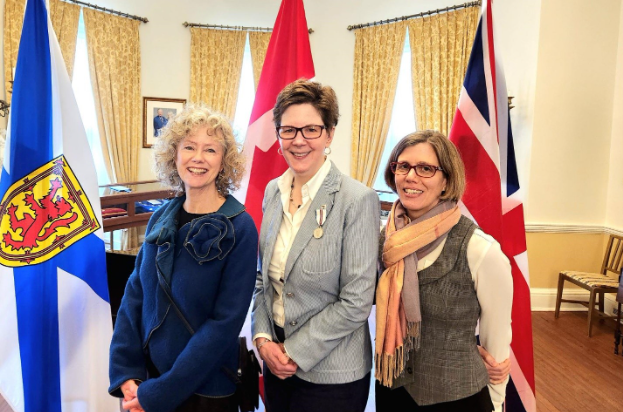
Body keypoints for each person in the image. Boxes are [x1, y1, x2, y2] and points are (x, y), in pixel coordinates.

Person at [108, 105, 258, 412]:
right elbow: (135, 296)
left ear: (224, 161)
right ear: (174, 156)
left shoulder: (241, 227)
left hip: (207, 389)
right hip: (148, 381)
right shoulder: (160, 217)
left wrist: (160, 393)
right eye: (189, 147)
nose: (198, 158)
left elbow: (224, 324)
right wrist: (126, 371)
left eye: (210, 149)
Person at [251, 79, 380, 412]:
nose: (298, 141)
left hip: (333, 374)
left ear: (329, 133)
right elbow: (261, 279)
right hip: (275, 360)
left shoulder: (357, 200)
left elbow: (357, 301)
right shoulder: (271, 192)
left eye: (311, 129)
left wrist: (292, 351)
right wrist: (263, 339)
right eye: (288, 130)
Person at [375, 130, 513, 412]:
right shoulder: (384, 240)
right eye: (403, 166)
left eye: (426, 168)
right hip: (392, 390)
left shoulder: (479, 249)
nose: (411, 176)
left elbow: (496, 345)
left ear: (446, 180)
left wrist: (496, 402)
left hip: (458, 396)